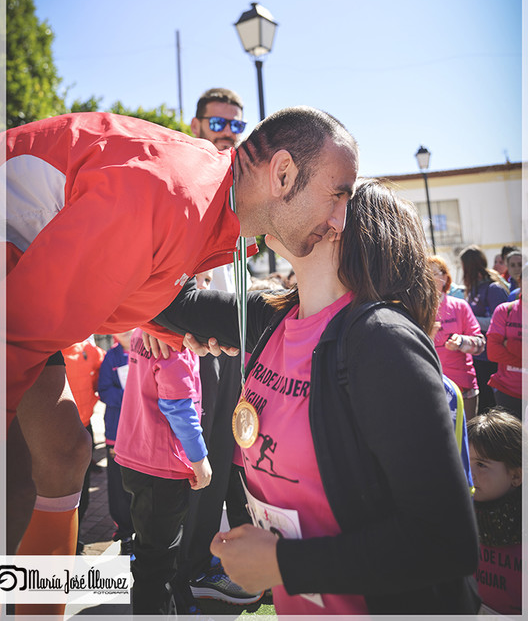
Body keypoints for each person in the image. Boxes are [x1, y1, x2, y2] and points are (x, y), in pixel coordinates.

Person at [5, 106, 357, 563]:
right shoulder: (167, 197)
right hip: (12, 290)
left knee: (62, 453)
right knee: (17, 479)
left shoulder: (212, 207)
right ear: (284, 173)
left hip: (16, 280)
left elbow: (138, 289)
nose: (340, 221)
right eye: (337, 196)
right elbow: (17, 335)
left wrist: (172, 330)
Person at [152, 179, 480, 615]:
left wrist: (282, 564)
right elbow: (167, 303)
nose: (279, 198)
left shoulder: (381, 340)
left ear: (334, 226)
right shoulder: (273, 316)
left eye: (301, 193)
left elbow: (446, 542)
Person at [181, 87, 261, 606]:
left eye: (236, 124)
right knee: (201, 453)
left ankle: (216, 558)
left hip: (232, 337)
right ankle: (189, 567)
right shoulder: (189, 175)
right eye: (217, 124)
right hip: (191, 339)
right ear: (195, 125)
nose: (228, 132)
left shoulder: (239, 185)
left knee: (232, 448)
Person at [114, 311, 212, 616]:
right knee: (156, 563)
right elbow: (178, 407)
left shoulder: (145, 332)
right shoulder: (173, 344)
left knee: (150, 555)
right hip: (161, 463)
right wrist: (200, 458)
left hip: (136, 455)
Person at [468, 408, 524, 615]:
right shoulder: (458, 516)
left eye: (481, 464)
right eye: (467, 462)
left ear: (516, 476)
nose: (470, 473)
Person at [428, 255, 485, 420]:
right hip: (432, 386)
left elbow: (480, 344)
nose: (430, 279)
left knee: (466, 437)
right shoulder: (417, 310)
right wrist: (427, 337)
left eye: (435, 273)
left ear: (445, 277)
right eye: (425, 274)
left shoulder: (460, 306)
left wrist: (461, 342)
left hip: (463, 386)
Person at [62, 337, 106, 553]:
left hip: (83, 428)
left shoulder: (89, 350)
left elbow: (103, 378)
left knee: (82, 490)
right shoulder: (45, 347)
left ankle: (73, 540)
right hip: (52, 432)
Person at [97, 330, 135, 554]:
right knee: (119, 485)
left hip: (143, 432)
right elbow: (103, 391)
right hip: (117, 433)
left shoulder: (149, 350)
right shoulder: (110, 357)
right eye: (121, 327)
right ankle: (125, 533)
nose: (126, 330)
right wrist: (130, 396)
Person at [459, 245, 510, 413]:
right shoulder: (473, 289)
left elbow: (499, 322)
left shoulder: (493, 288)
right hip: (478, 357)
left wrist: (469, 320)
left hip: (493, 358)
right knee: (485, 405)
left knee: (495, 406)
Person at [486, 266, 525, 419]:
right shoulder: (504, 311)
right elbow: (493, 351)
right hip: (507, 391)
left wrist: (510, 345)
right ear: (520, 281)